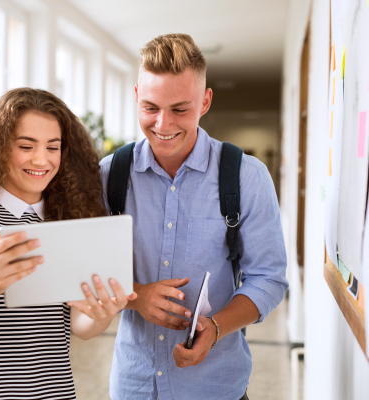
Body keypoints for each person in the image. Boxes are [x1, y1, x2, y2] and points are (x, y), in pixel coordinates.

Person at [99, 34, 288, 400]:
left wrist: (216, 327)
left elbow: (268, 278)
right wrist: (135, 296)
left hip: (216, 386)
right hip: (133, 385)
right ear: (136, 95)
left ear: (205, 101)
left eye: (180, 109)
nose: (163, 123)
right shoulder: (109, 175)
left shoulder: (246, 176)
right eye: (150, 107)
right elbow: (88, 270)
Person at [0, 88, 136, 400]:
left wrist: (104, 311)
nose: (41, 159)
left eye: (53, 147)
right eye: (26, 146)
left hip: (48, 392)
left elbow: (81, 325)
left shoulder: (68, 221)